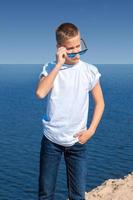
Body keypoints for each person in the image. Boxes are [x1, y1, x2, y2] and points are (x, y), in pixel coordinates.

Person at [36, 22, 105, 200]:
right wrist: (58, 65)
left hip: (77, 143)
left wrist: (91, 131)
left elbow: (100, 103)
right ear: (60, 48)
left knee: (77, 196)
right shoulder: (50, 68)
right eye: (71, 49)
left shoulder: (90, 71)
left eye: (78, 47)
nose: (76, 53)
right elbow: (41, 92)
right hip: (51, 141)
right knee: (45, 194)